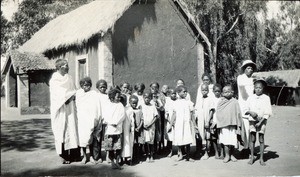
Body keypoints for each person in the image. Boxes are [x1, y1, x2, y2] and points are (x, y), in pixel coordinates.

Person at [49, 59, 79, 164]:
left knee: (72, 128)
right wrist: (68, 97)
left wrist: (72, 96)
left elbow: (74, 90)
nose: (68, 67)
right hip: (60, 109)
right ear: (60, 67)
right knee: (61, 130)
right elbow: (57, 95)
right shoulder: (54, 80)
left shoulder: (69, 78)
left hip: (70, 108)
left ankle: (74, 154)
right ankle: (64, 156)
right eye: (66, 65)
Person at [245, 79, 272, 166]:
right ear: (254, 88)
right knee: (252, 139)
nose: (258, 89)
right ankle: (252, 156)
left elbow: (267, 112)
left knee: (261, 139)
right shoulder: (250, 98)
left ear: (263, 88)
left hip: (262, 121)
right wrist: (251, 112)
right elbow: (245, 109)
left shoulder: (266, 98)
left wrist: (260, 122)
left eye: (260, 88)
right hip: (252, 121)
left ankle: (261, 158)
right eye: (256, 88)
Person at [76, 77, 102, 164]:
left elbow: (97, 106)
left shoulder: (94, 93)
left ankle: (90, 156)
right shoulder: (79, 94)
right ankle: (84, 156)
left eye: (87, 85)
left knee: (90, 138)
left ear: (90, 85)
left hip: (91, 119)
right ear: (81, 86)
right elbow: (77, 106)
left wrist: (96, 118)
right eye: (84, 85)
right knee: (82, 138)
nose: (86, 86)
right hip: (82, 119)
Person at [216, 85, 243, 163]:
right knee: (225, 141)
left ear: (232, 92)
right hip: (224, 125)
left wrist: (239, 125)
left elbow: (238, 113)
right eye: (225, 92)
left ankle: (232, 155)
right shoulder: (221, 102)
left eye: (228, 91)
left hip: (233, 124)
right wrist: (222, 120)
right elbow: (218, 112)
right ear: (222, 93)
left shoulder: (234, 101)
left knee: (232, 140)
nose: (227, 93)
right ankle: (227, 155)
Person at [237, 59, 257, 154]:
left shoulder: (253, 80)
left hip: (252, 106)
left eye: (251, 68)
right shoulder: (240, 78)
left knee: (251, 127)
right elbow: (243, 90)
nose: (250, 70)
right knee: (244, 127)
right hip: (243, 106)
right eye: (248, 68)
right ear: (244, 69)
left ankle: (250, 148)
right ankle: (245, 148)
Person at [103, 88, 126, 169]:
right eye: (117, 97)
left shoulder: (120, 105)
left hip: (118, 129)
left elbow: (122, 115)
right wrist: (111, 122)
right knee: (110, 147)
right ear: (112, 98)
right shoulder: (107, 105)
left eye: (119, 97)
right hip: (110, 129)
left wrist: (116, 122)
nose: (119, 99)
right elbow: (105, 116)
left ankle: (117, 161)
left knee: (118, 147)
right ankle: (112, 162)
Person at [172, 85, 195, 162]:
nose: (185, 93)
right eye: (183, 91)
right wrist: (171, 123)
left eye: (186, 91)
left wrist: (194, 124)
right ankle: (180, 155)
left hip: (186, 124)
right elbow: (174, 114)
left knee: (187, 139)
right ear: (178, 93)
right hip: (178, 124)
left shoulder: (189, 102)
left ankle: (188, 156)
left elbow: (192, 114)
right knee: (179, 139)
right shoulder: (175, 103)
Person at [194, 83, 215, 160]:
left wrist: (208, 121)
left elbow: (211, 111)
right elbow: (196, 111)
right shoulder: (199, 100)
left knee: (207, 137)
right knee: (200, 136)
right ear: (200, 91)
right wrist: (195, 122)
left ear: (208, 91)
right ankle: (200, 151)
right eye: (203, 90)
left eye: (206, 90)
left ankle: (207, 152)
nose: (204, 91)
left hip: (206, 120)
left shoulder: (210, 99)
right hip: (200, 120)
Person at [127, 95, 145, 164]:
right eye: (133, 103)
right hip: (132, 131)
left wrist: (138, 127)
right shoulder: (129, 110)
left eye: (136, 103)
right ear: (129, 102)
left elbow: (142, 120)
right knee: (133, 144)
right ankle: (132, 158)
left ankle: (138, 158)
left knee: (138, 144)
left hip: (138, 131)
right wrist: (133, 128)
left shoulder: (139, 111)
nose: (134, 104)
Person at [141, 91, 158, 162]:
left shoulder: (153, 106)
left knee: (151, 142)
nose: (147, 99)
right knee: (145, 141)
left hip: (151, 127)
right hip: (144, 127)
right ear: (143, 98)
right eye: (145, 98)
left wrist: (150, 124)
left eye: (148, 98)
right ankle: (147, 155)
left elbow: (156, 116)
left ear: (151, 98)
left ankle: (151, 155)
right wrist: (143, 125)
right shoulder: (141, 106)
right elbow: (140, 117)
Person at [96, 79, 110, 163]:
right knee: (98, 139)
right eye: (101, 87)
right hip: (98, 119)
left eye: (104, 87)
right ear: (97, 88)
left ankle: (108, 155)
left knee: (107, 138)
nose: (103, 89)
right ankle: (99, 156)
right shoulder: (96, 96)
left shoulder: (108, 96)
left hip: (106, 119)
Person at [149, 82, 164, 154]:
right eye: (152, 88)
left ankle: (157, 149)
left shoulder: (159, 97)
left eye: (156, 88)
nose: (154, 89)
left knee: (157, 132)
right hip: (149, 118)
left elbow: (162, 108)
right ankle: (150, 150)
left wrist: (158, 106)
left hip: (157, 117)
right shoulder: (148, 96)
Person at [210, 84, 223, 159]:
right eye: (215, 91)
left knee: (221, 136)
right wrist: (211, 120)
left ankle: (221, 151)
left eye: (218, 91)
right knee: (214, 137)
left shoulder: (222, 99)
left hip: (221, 121)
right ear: (213, 91)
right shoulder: (212, 99)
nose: (217, 92)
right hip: (214, 120)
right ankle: (216, 152)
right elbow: (211, 110)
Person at [121, 95, 135, 165]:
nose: (123, 102)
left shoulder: (129, 109)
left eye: (125, 100)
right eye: (122, 100)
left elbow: (132, 120)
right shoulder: (119, 108)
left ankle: (128, 158)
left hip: (127, 128)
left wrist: (131, 127)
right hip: (120, 129)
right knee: (121, 144)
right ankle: (121, 158)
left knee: (128, 144)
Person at [164, 88, 177, 157]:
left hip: (177, 121)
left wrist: (175, 121)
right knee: (170, 137)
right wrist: (171, 122)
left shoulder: (178, 101)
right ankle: (170, 150)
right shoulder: (168, 102)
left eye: (175, 93)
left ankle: (181, 150)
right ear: (169, 95)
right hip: (170, 122)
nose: (174, 95)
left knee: (178, 135)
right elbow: (167, 114)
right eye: (172, 93)